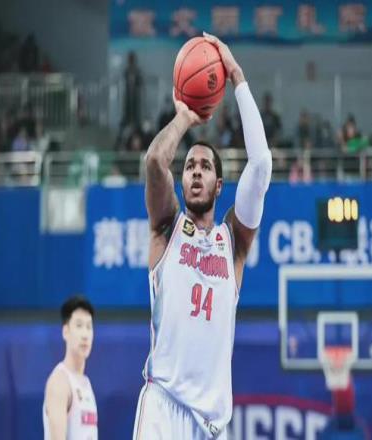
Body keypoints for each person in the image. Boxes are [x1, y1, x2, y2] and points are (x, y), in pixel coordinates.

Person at [133, 32, 272, 439]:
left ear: (219, 185)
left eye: (205, 167)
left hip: (210, 423)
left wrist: (237, 76)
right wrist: (185, 117)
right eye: (190, 166)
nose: (195, 171)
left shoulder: (234, 243)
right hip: (162, 405)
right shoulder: (167, 227)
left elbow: (261, 165)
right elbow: (155, 162)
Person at [43, 295, 97, 440]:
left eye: (89, 327)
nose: (85, 335)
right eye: (79, 326)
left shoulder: (86, 383)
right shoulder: (59, 382)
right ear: (65, 331)